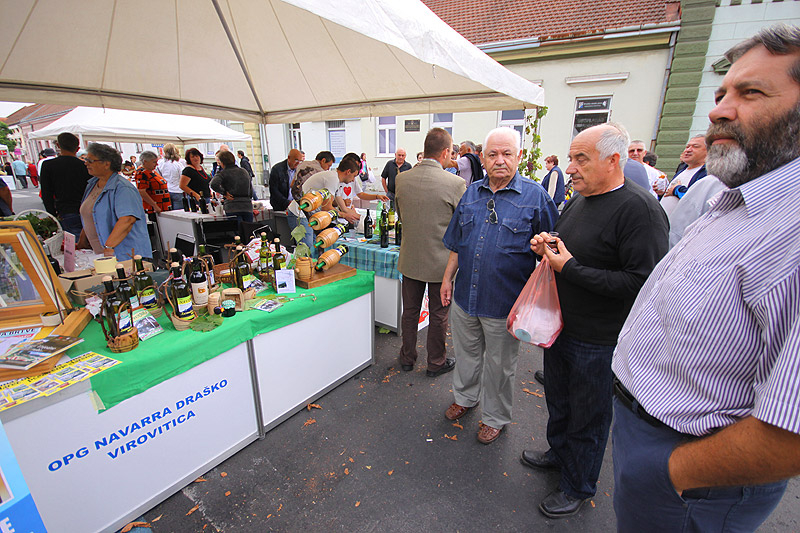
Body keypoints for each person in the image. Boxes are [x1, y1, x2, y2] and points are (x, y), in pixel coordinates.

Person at [611, 24, 800, 532]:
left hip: (696, 473)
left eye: (751, 93)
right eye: (720, 95)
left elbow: (791, 432)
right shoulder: (737, 196)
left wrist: (669, 472)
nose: (719, 110)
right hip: (648, 437)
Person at [525, 123, 669, 518]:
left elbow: (642, 282)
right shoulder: (579, 199)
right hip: (561, 327)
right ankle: (559, 454)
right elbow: (568, 246)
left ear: (612, 160)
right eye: (570, 158)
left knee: (589, 416)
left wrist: (569, 268)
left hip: (600, 340)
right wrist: (546, 245)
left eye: (580, 159)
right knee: (559, 401)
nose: (570, 167)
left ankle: (578, 485)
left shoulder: (640, 210)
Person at [441, 127, 558, 445]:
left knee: (501, 366)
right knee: (467, 355)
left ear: (518, 156)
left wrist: (544, 248)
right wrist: (447, 279)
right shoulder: (471, 193)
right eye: (493, 154)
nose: (500, 160)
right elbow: (457, 242)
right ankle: (465, 398)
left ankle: (495, 417)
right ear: (482, 158)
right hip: (466, 296)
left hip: (505, 302)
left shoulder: (535, 197)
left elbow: (554, 245)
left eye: (507, 153)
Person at [396, 128, 465, 376]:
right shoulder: (455, 183)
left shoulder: (402, 179)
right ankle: (436, 362)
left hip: (411, 258)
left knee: (410, 311)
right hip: (441, 264)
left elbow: (401, 216)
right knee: (438, 314)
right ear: (445, 152)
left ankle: (407, 357)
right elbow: (461, 225)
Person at [78, 143, 151, 261]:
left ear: (107, 164)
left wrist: (109, 247)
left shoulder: (122, 188)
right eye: (86, 160)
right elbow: (90, 215)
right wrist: (82, 241)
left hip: (124, 255)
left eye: (90, 160)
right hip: (100, 254)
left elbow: (127, 220)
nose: (86, 163)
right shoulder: (92, 184)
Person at [288, 154, 362, 243]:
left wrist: (362, 218)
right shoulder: (332, 179)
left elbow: (344, 208)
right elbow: (326, 208)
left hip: (308, 214)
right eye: (354, 176)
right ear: (348, 172)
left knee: (314, 247)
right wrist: (344, 215)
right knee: (307, 248)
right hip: (299, 214)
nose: (353, 180)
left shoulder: (335, 179)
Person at [39, 133, 92, 237]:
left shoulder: (48, 165)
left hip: (65, 210)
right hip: (87, 209)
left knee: (73, 242)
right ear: (77, 148)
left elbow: (46, 193)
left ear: (58, 145)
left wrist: (52, 214)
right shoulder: (85, 166)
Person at [289, 151, 336, 250]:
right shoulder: (322, 173)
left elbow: (292, 184)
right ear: (323, 161)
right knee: (307, 248)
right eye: (328, 165)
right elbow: (326, 205)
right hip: (302, 211)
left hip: (300, 207)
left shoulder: (303, 164)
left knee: (311, 246)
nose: (328, 168)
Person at [660, 135, 708, 216]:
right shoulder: (682, 170)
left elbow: (696, 200)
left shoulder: (706, 173)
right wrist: (661, 192)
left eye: (695, 146)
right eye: (687, 147)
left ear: (709, 151)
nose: (688, 150)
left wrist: (677, 190)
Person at [210, 149, 254, 223]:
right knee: (248, 228)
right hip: (247, 205)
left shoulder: (222, 173)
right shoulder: (244, 171)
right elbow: (250, 189)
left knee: (237, 229)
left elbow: (213, 184)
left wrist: (224, 193)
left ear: (222, 162)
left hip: (232, 206)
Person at [269, 148, 302, 214]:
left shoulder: (300, 170)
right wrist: (287, 202)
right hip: (280, 205)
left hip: (295, 206)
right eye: (296, 160)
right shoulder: (277, 169)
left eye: (300, 161)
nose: (298, 163)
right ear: (289, 158)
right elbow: (274, 190)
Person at [157, 143, 185, 209]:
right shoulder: (178, 164)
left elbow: (158, 176)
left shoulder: (160, 163)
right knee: (178, 212)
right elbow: (182, 176)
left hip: (166, 190)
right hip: (177, 190)